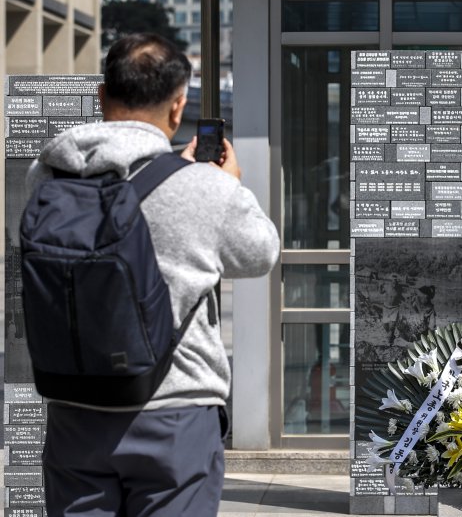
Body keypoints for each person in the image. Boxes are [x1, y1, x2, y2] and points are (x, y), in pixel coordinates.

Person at [26, 33, 280, 515]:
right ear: (178, 106)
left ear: (102, 97)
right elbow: (261, 253)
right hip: (174, 410)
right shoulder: (206, 188)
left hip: (74, 408)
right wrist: (224, 185)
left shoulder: (48, 174)